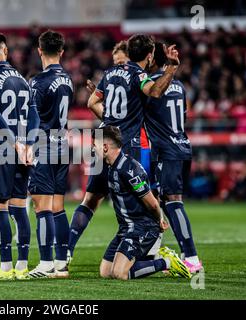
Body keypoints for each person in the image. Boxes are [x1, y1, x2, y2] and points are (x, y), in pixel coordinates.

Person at [68, 34, 180, 259]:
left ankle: (66, 252)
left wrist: (109, 118)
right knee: (145, 199)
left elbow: (91, 102)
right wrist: (171, 68)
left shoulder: (108, 74)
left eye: (120, 59)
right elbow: (156, 92)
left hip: (103, 142)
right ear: (147, 56)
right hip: (127, 145)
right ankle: (153, 256)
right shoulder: (138, 75)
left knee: (91, 199)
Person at [0, 32, 39, 280]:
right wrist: (29, 144)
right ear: (5, 51)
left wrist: (13, 143)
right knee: (18, 204)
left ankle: (5, 268)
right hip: (23, 148)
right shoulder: (23, 80)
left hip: (3, 147)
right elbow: (34, 113)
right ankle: (22, 266)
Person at [93, 125, 191, 280]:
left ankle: (166, 262)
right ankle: (140, 262)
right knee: (105, 272)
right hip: (126, 229)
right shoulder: (112, 167)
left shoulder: (129, 169)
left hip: (142, 228)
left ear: (105, 147)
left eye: (95, 145)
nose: (93, 149)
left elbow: (151, 202)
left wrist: (160, 219)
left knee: (119, 274)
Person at [145, 42, 203, 273]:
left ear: (152, 59)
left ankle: (191, 258)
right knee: (158, 201)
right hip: (182, 146)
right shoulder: (178, 85)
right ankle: (155, 252)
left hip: (166, 150)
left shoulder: (153, 85)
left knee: (172, 202)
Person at [26, 30, 74, 278]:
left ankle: (45, 264)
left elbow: (33, 118)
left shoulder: (37, 82)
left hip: (44, 145)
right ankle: (61, 262)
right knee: (58, 206)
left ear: (39, 50)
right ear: (62, 52)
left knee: (41, 206)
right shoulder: (68, 80)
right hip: (63, 145)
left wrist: (26, 145)